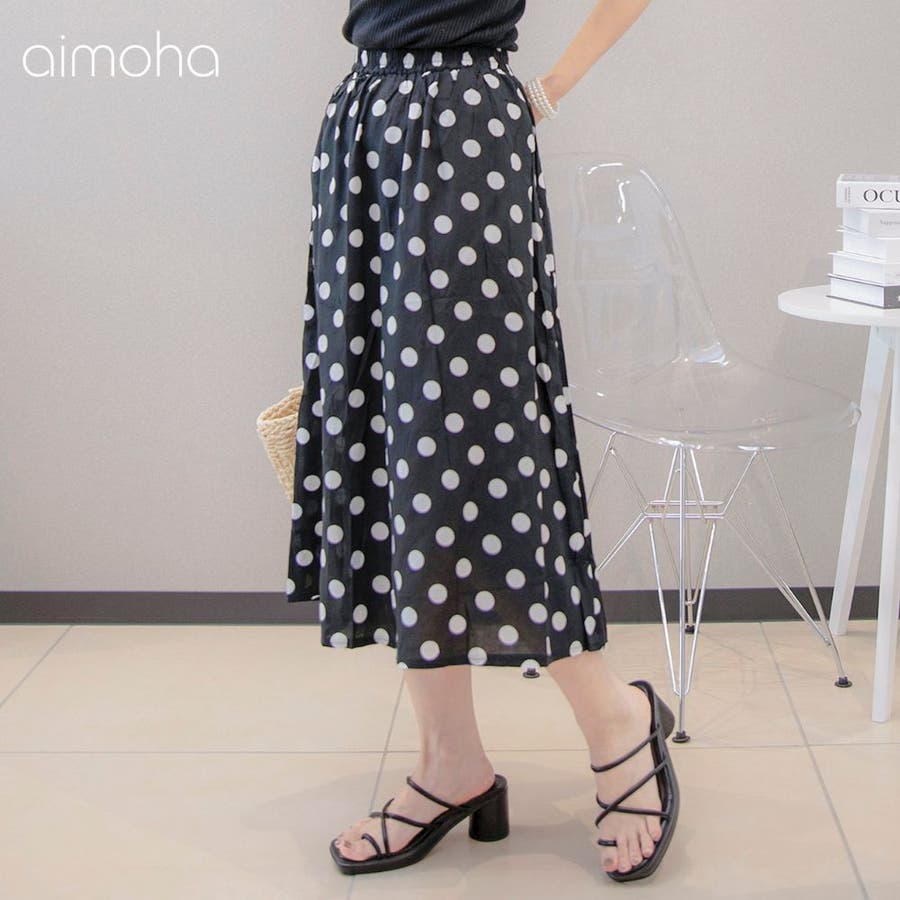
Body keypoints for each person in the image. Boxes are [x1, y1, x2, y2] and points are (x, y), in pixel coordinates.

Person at [286, 0, 678, 882]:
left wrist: (548, 89)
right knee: (396, 445)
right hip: (365, 128)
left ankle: (615, 719)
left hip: (464, 133)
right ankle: (450, 759)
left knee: (478, 443)